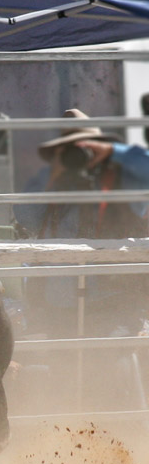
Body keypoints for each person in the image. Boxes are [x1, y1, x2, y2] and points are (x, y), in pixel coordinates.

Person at [13, 108, 149, 338]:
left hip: (110, 301)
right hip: (59, 299)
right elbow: (26, 216)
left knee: (111, 365)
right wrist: (54, 174)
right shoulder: (54, 183)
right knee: (62, 360)